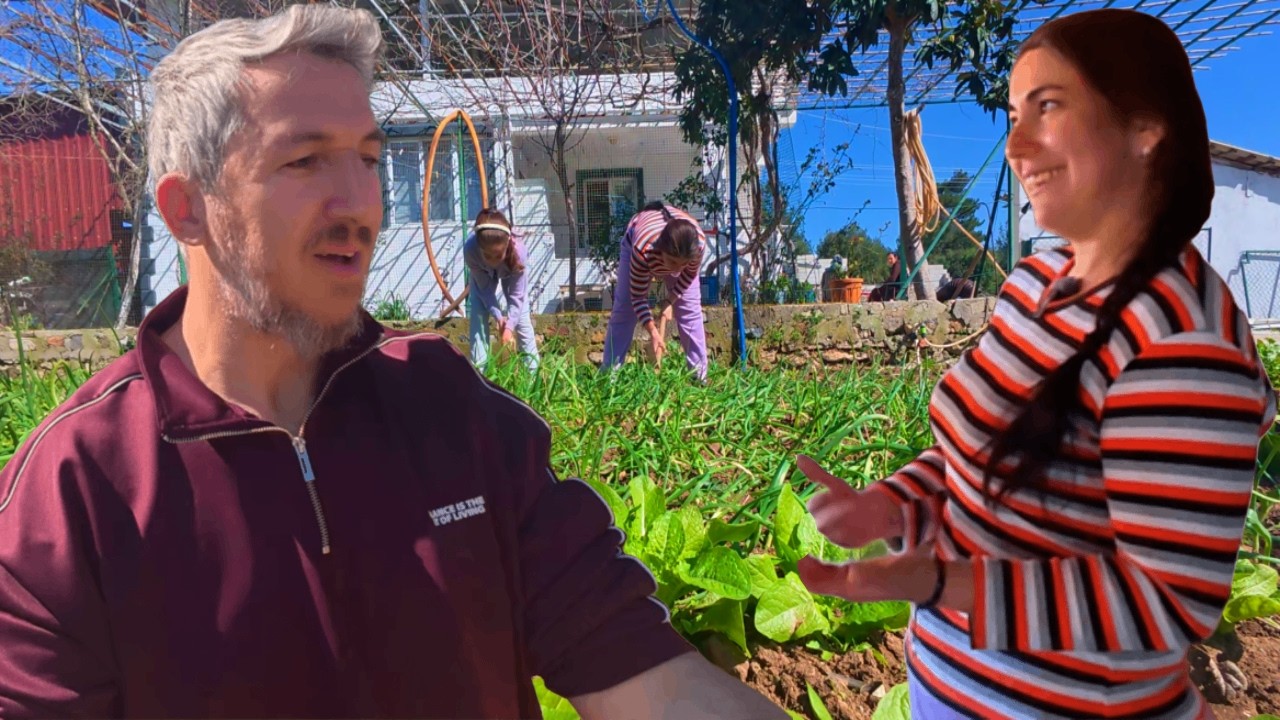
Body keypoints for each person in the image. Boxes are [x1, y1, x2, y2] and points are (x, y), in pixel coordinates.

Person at [0, 6, 788, 719]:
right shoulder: (76, 494)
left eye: (371, 160)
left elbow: (648, 677)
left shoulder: (455, 413)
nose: (359, 204)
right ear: (187, 209)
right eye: (305, 162)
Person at [793, 9, 1276, 720]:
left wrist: (949, 584)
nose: (1017, 144)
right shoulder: (1035, 284)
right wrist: (890, 507)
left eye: (1048, 108)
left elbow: (1163, 602)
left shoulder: (1183, 342)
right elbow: (974, 467)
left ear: (1146, 130)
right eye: (1016, 114)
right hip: (949, 684)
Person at [601, 200, 708, 380]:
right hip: (637, 234)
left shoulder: (697, 246)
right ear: (661, 251)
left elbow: (687, 277)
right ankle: (608, 377)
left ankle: (699, 377)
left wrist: (670, 300)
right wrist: (653, 332)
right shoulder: (644, 250)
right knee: (624, 310)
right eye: (673, 262)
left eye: (683, 264)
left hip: (678, 241)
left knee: (689, 310)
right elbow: (638, 298)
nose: (677, 270)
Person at [463, 207, 539, 371]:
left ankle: (533, 376)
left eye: (498, 255)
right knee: (478, 316)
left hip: (511, 270)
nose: (493, 261)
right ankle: (480, 374)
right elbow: (485, 291)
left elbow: (517, 297)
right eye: (488, 256)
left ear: (507, 245)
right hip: (482, 277)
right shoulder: (470, 251)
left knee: (522, 320)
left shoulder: (519, 253)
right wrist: (498, 317)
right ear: (478, 246)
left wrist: (509, 326)